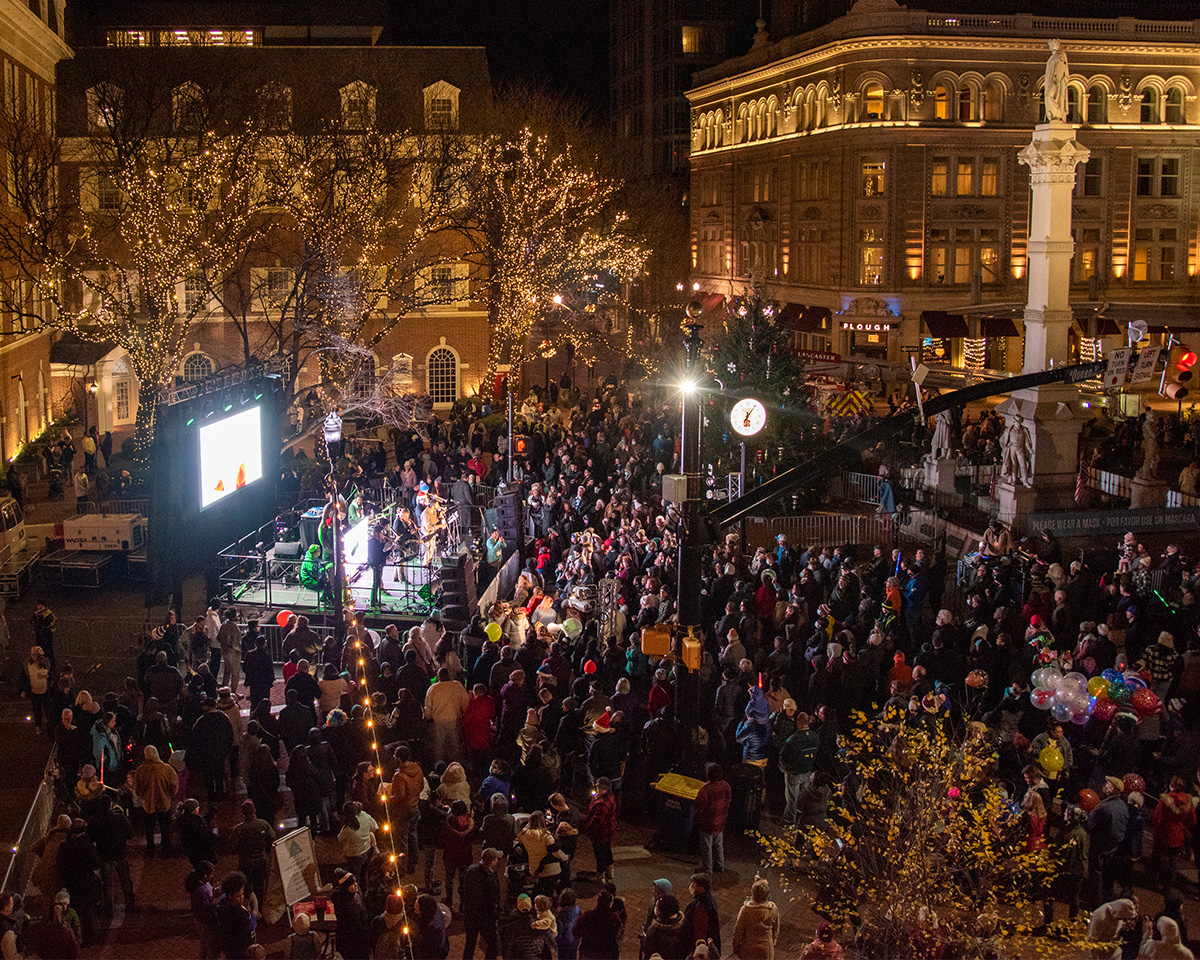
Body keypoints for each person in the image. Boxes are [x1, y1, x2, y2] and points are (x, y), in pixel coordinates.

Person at [131, 744, 179, 857]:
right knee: (165, 827)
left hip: (148, 804)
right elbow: (174, 786)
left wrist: (142, 796)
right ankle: (165, 848)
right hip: (164, 802)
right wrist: (170, 795)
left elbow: (136, 788)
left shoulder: (141, 770)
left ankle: (150, 848)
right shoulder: (167, 769)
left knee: (149, 827)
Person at [230, 800, 273, 912]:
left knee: (246, 887)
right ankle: (260, 909)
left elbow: (232, 846)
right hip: (260, 862)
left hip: (245, 862)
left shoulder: (239, 829)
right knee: (259, 886)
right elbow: (272, 838)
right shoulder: (264, 824)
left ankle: (248, 910)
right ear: (254, 810)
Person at [461, 848, 502, 960]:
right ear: (493, 861)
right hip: (485, 918)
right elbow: (492, 902)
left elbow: (461, 889)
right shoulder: (490, 880)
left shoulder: (470, 870)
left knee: (470, 943)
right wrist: (495, 916)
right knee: (492, 943)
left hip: (470, 914)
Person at [694, 762, 731, 875]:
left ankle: (707, 869)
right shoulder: (726, 786)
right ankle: (720, 865)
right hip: (720, 822)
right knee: (718, 844)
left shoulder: (705, 790)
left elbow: (699, 807)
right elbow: (728, 801)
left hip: (707, 823)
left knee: (707, 847)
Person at [732, 878, 780, 960]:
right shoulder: (773, 909)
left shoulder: (746, 910)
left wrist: (735, 947)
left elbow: (738, 931)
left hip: (748, 949)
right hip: (766, 950)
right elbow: (776, 928)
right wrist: (773, 940)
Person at [214, 872, 257, 960]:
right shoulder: (236, 911)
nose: (241, 898)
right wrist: (253, 915)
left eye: (242, 894)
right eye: (238, 896)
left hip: (231, 948)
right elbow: (250, 925)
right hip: (239, 949)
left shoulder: (223, 901)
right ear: (230, 895)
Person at [575, 888, 624, 960]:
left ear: (598, 901)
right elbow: (618, 934)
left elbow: (576, 932)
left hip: (589, 952)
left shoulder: (587, 916)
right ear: (610, 904)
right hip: (608, 953)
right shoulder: (614, 919)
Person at [586, 776, 618, 883]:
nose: (597, 790)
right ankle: (610, 871)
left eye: (599, 788)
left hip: (601, 833)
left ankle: (601, 875)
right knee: (607, 849)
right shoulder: (610, 796)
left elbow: (597, 822)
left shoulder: (602, 804)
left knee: (599, 853)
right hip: (609, 830)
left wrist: (588, 828)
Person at [187, 861, 219, 960]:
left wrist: (214, 891)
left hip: (202, 921)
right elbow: (206, 909)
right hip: (205, 923)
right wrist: (216, 898)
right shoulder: (200, 891)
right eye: (211, 873)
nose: (213, 875)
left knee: (204, 946)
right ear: (205, 875)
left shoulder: (204, 884)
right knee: (213, 951)